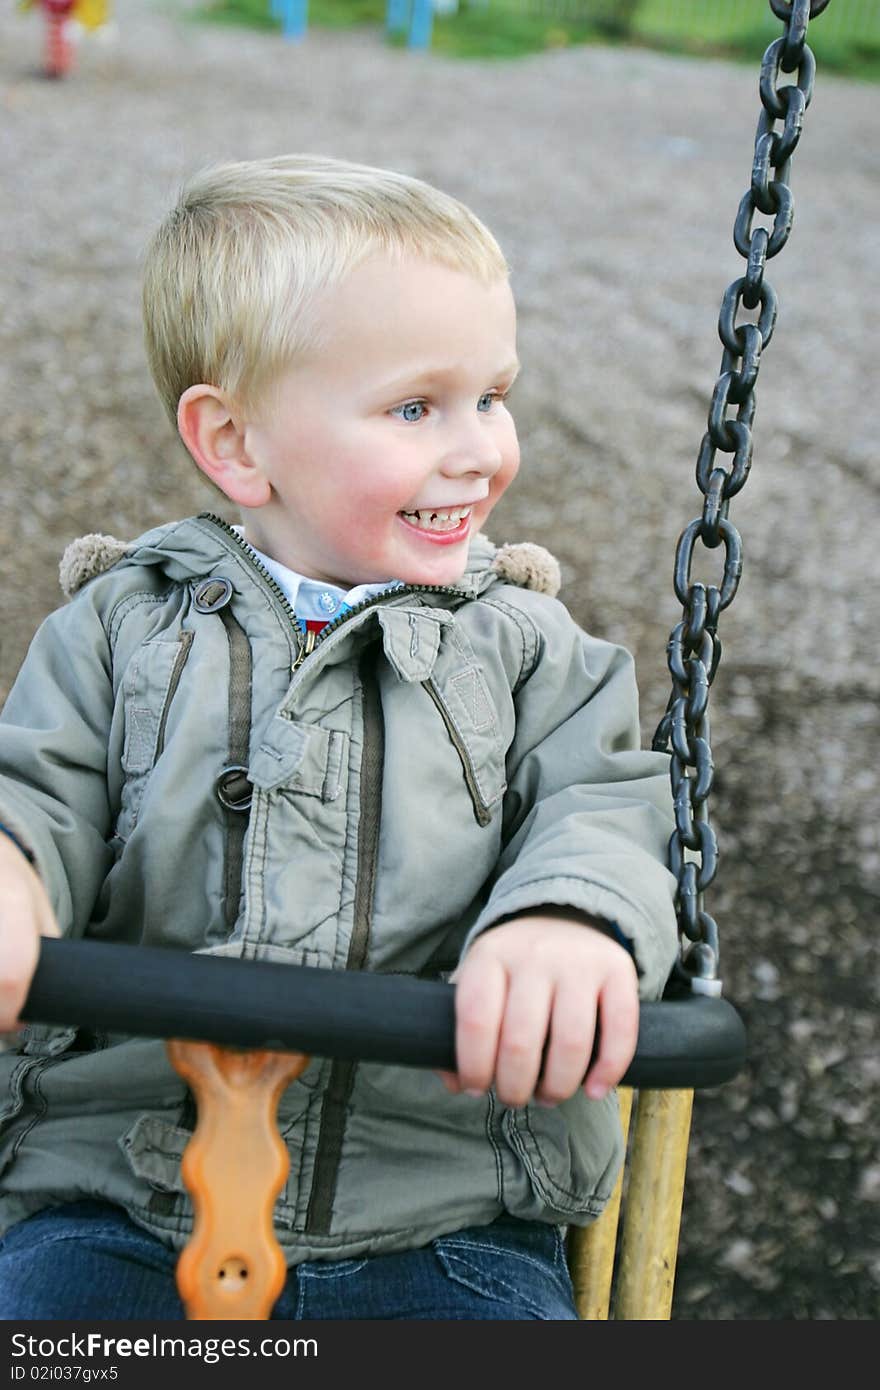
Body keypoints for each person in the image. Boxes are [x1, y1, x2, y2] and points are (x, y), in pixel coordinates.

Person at [0, 154, 679, 1320]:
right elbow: (37, 788)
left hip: (444, 1213)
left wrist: (568, 916)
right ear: (236, 442)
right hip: (114, 1200)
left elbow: (607, 804)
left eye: (491, 395)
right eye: (416, 407)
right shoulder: (117, 627)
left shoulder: (530, 649)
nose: (478, 449)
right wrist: (10, 867)